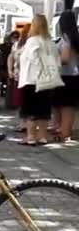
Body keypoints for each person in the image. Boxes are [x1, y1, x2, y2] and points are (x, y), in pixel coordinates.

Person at [18, 14, 60, 146]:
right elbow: (57, 62)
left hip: (32, 80)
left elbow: (32, 59)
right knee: (43, 109)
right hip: (48, 80)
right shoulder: (51, 42)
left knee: (30, 109)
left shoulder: (32, 41)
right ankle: (42, 136)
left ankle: (30, 136)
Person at [51, 10, 79, 143]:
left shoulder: (66, 38)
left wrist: (52, 59)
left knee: (65, 106)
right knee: (67, 106)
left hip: (66, 76)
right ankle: (63, 130)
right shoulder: (75, 37)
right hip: (73, 76)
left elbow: (65, 58)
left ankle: (64, 132)